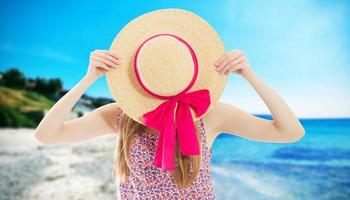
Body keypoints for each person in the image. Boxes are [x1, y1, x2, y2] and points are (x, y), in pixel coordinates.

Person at [34, 48, 305, 199]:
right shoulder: (122, 115)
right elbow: (46, 134)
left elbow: (290, 131)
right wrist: (88, 79)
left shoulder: (209, 115)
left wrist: (250, 75)